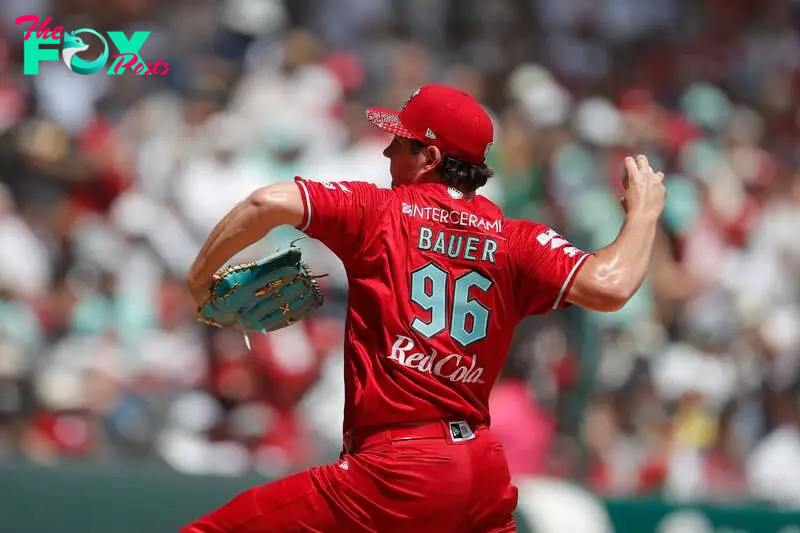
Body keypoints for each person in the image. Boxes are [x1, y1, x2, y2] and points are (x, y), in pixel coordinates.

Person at [183, 84, 666, 533]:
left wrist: (199, 282)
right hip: (479, 470)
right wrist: (643, 214)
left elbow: (266, 202)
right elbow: (613, 285)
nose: (388, 150)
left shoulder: (379, 212)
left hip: (396, 471)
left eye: (401, 142)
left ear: (431, 156)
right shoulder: (517, 240)